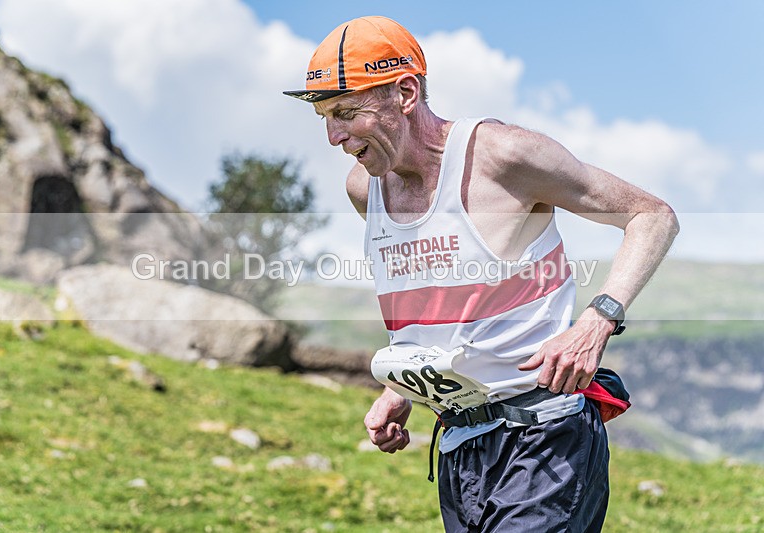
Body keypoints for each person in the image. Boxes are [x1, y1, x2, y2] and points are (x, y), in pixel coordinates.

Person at [285, 16, 678, 532]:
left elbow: (651, 217)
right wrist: (405, 386)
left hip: (546, 443)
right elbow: (442, 302)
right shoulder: (365, 188)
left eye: (345, 112)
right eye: (324, 118)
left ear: (405, 92)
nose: (334, 136)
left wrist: (596, 323)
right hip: (460, 448)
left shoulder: (502, 156)